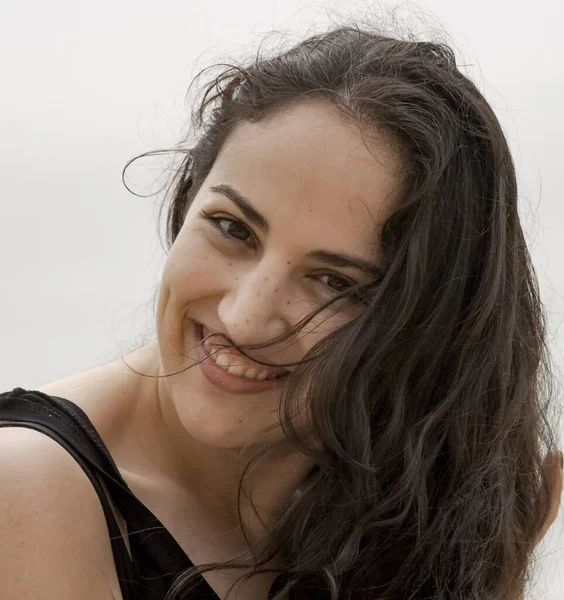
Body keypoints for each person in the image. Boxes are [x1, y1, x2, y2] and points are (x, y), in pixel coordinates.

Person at [0, 23, 562, 600]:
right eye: (232, 228)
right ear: (189, 197)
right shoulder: (25, 490)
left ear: (423, 322)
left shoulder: (396, 508)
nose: (245, 317)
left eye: (332, 281)